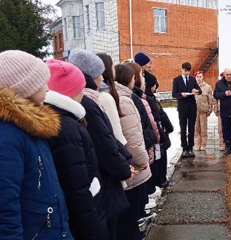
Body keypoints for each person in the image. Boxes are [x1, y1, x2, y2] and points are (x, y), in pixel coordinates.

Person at [0, 50, 72, 239]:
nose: (48, 89)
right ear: (23, 88)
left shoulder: (33, 125)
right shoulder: (7, 135)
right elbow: (5, 207)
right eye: (41, 83)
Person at [68, 50, 133, 240]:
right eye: (100, 72)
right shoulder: (89, 105)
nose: (103, 76)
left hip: (103, 181)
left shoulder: (89, 102)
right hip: (104, 183)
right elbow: (107, 141)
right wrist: (125, 166)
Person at [45, 59, 108, 239]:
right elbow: (78, 187)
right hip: (86, 219)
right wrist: (94, 231)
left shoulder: (62, 120)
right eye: (80, 87)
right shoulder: (67, 128)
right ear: (71, 91)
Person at [114, 64, 151, 240]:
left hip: (131, 162)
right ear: (130, 79)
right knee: (131, 209)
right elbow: (132, 135)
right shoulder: (124, 101)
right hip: (134, 164)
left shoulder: (122, 97)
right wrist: (143, 159)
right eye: (136, 77)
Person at [172, 62, 202, 158]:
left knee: (191, 128)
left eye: (188, 71)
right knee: (183, 128)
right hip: (182, 108)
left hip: (192, 107)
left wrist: (196, 91)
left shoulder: (193, 79)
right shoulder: (177, 80)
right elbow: (174, 94)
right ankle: (184, 148)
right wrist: (181, 95)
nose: (187, 72)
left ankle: (190, 148)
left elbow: (199, 91)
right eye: (185, 70)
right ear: (182, 69)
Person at [194, 70, 213, 151]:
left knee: (203, 127)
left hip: (203, 110)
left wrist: (210, 109)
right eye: (197, 77)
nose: (199, 78)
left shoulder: (207, 87)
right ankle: (197, 143)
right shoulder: (192, 86)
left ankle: (203, 144)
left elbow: (210, 100)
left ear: (203, 77)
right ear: (195, 77)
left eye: (200, 76)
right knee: (196, 128)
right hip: (194, 111)